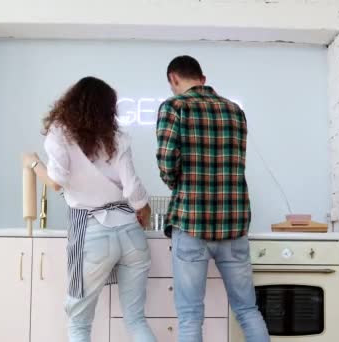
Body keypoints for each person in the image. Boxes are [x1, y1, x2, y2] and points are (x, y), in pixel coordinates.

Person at [23, 76, 156, 342]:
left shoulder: (60, 133)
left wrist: (34, 164)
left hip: (93, 232)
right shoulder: (117, 137)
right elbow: (133, 189)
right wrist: (145, 209)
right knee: (136, 320)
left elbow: (57, 183)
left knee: (79, 323)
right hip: (131, 231)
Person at [156, 56, 270, 342]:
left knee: (191, 315)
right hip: (233, 225)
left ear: (173, 78)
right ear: (203, 79)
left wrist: (181, 186)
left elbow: (167, 164)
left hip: (192, 223)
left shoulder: (174, 107)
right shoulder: (235, 111)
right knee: (247, 309)